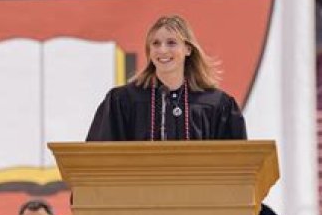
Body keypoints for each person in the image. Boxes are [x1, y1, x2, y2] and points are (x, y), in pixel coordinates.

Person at [86, 14, 247, 141]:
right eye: (156, 43)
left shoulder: (217, 104)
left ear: (188, 49)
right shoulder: (122, 101)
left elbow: (238, 161)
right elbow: (99, 157)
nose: (162, 50)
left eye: (171, 43)